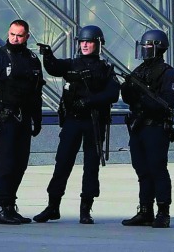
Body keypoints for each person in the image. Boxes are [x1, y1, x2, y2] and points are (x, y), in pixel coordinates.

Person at [32, 25, 119, 224]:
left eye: (89, 41)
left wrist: (89, 101)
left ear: (98, 44)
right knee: (62, 162)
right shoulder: (72, 63)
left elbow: (113, 93)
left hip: (93, 122)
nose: (85, 45)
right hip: (72, 121)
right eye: (82, 41)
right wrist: (48, 55)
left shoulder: (105, 69)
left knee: (91, 166)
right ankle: (53, 206)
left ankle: (85, 209)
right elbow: (54, 68)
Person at [0, 19, 44, 225]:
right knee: (5, 164)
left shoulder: (33, 60)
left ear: (27, 37)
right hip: (5, 119)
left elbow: (36, 93)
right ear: (8, 33)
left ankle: (10, 206)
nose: (15, 39)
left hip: (24, 119)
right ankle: (1, 208)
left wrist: (37, 119)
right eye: (12, 34)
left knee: (20, 164)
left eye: (19, 35)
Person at [120, 28, 174, 229]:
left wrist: (142, 96)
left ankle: (163, 211)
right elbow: (127, 96)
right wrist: (128, 87)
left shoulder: (168, 73)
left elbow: (166, 103)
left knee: (157, 169)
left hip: (155, 128)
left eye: (147, 46)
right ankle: (145, 210)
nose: (144, 50)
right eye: (143, 46)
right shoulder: (140, 70)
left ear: (157, 47)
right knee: (142, 170)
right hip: (138, 127)